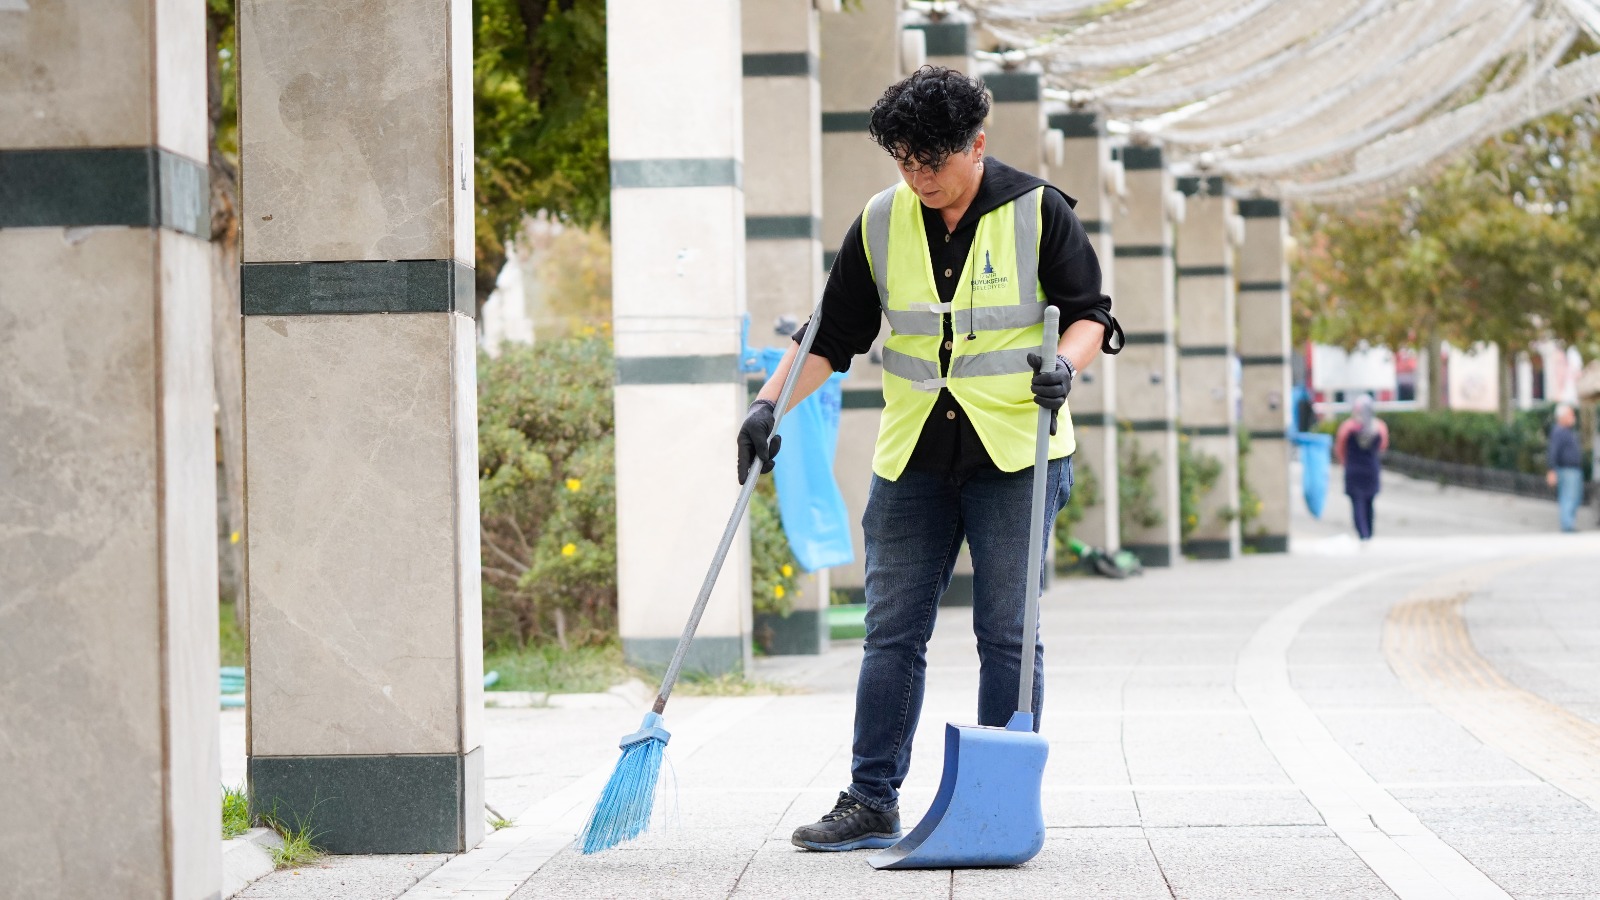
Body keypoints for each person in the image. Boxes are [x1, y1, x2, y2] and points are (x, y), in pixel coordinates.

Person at [736, 67, 1121, 852]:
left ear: (977, 146)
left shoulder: (1039, 212)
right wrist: (769, 404)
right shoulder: (880, 221)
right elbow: (829, 336)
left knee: (1007, 634)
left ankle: (996, 800)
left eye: (932, 163)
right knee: (891, 631)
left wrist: (1067, 366)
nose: (918, 177)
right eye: (904, 161)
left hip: (1017, 449)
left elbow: (1091, 316)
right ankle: (871, 799)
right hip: (913, 454)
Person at [1332, 394, 1388, 541]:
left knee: (1357, 502)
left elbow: (1340, 448)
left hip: (1353, 469)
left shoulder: (1347, 427)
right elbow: (1382, 446)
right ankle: (1369, 532)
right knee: (1369, 502)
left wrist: (1344, 462)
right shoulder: (1379, 427)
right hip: (1371, 469)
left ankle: (1362, 533)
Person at [1546, 404, 1584, 533]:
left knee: (1574, 497)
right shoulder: (1559, 431)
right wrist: (1551, 470)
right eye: (1570, 414)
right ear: (1562, 417)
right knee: (1569, 497)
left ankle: (1569, 523)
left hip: (1573, 470)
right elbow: (1553, 451)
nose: (1573, 417)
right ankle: (1567, 525)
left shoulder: (1567, 431)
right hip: (1567, 470)